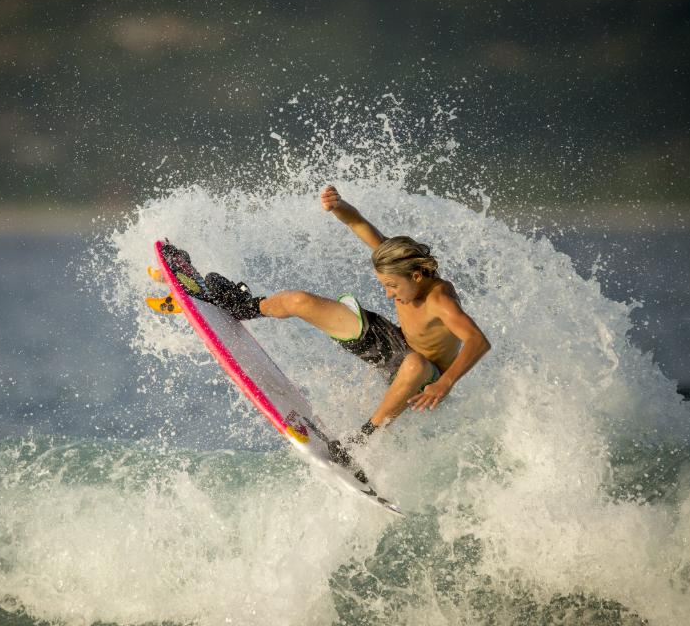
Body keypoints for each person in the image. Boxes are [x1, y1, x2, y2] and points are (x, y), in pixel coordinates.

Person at [206, 185, 491, 453]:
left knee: (416, 363)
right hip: (395, 346)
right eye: (383, 285)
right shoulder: (398, 263)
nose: (388, 294)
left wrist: (446, 383)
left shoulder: (440, 301)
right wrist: (339, 207)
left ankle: (363, 439)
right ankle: (247, 306)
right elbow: (360, 225)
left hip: (425, 377)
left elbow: (477, 341)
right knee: (300, 301)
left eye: (392, 286)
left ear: (416, 276)